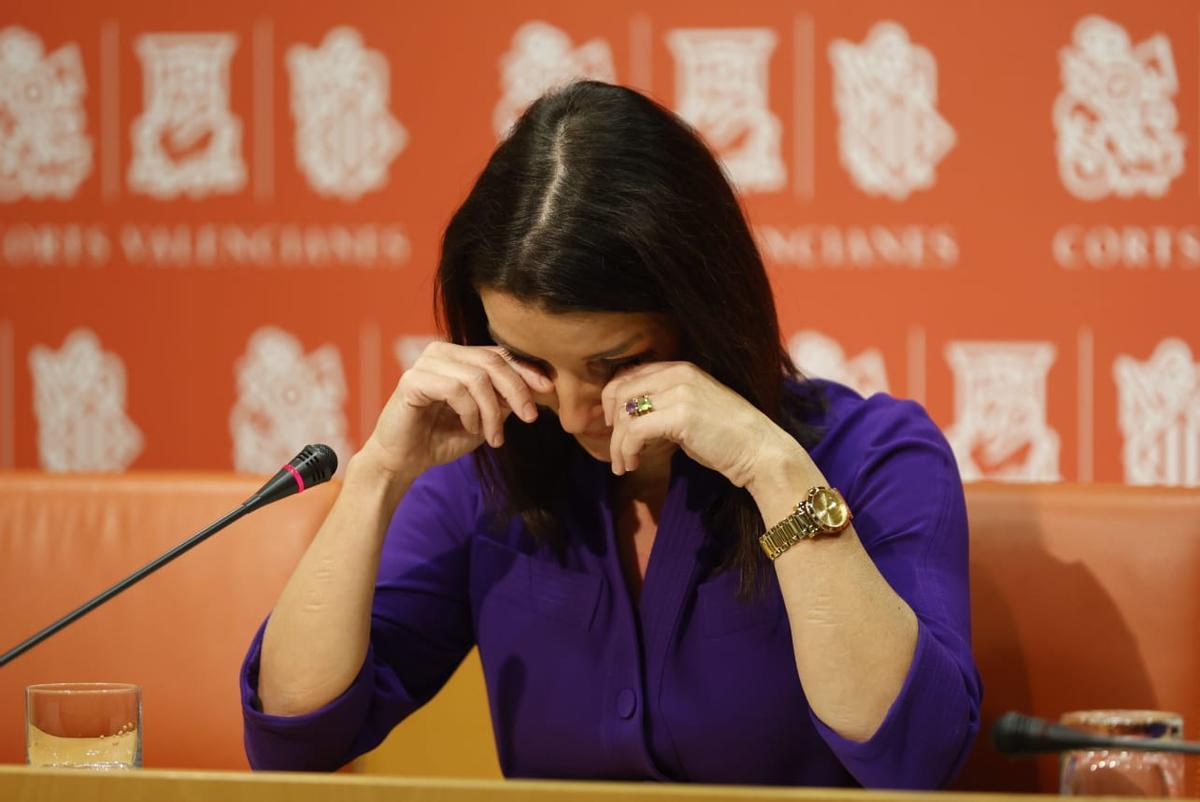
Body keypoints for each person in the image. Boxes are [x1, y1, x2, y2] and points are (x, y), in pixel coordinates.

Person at [240, 81, 981, 788]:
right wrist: (378, 474)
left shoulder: (874, 453)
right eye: (533, 364)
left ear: (705, 315)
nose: (573, 414)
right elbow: (294, 734)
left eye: (617, 364)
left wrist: (770, 468)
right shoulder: (491, 469)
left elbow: (915, 754)